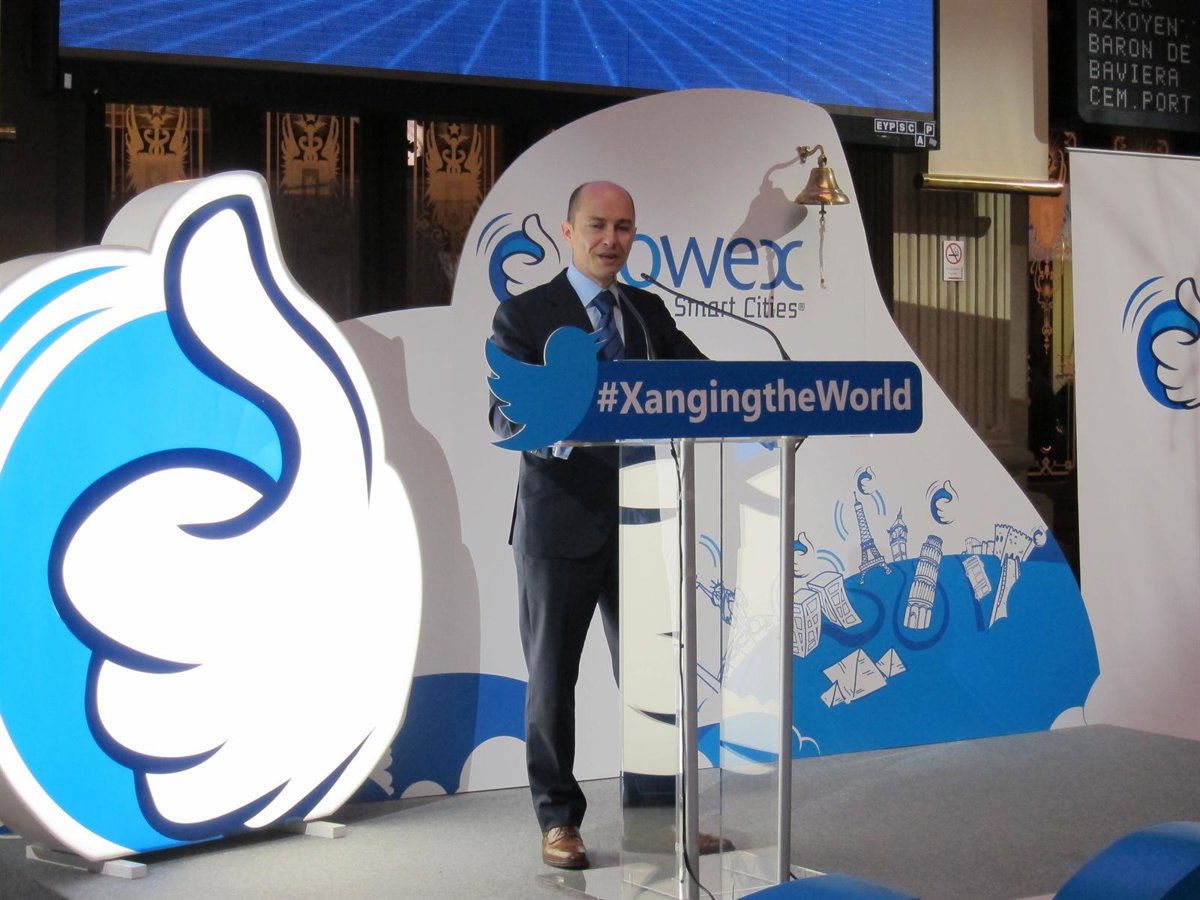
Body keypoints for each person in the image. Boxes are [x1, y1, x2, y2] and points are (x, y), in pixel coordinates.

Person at [488, 181, 704, 869]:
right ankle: (558, 821)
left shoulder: (645, 310)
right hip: (559, 528)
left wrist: (768, 399)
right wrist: (562, 425)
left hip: (642, 518)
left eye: (624, 227)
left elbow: (702, 384)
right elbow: (503, 416)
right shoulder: (525, 314)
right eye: (597, 225)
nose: (612, 240)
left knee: (650, 680)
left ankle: (658, 820)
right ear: (568, 231)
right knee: (553, 681)